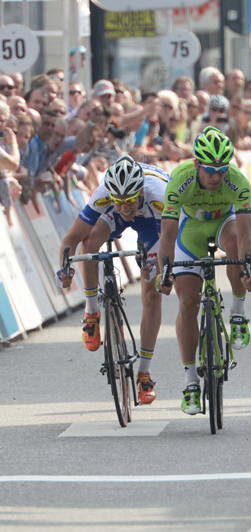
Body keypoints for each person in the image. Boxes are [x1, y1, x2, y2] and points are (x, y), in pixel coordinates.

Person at [155, 127, 251, 415]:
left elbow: (248, 232)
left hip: (225, 224)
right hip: (191, 232)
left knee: (236, 244)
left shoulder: (237, 181)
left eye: (222, 170)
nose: (216, 177)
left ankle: (237, 313)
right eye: (210, 170)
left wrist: (248, 268)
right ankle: (190, 382)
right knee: (188, 303)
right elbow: (167, 235)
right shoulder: (180, 179)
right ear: (197, 164)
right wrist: (164, 272)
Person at [56, 155, 170, 404]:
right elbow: (70, 239)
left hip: (154, 220)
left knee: (152, 293)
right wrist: (64, 269)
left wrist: (156, 266)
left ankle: (144, 373)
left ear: (139, 191)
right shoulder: (105, 194)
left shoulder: (160, 194)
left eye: (129, 201)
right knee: (90, 241)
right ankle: (92, 313)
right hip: (117, 213)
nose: (125, 208)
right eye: (119, 202)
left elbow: (168, 244)